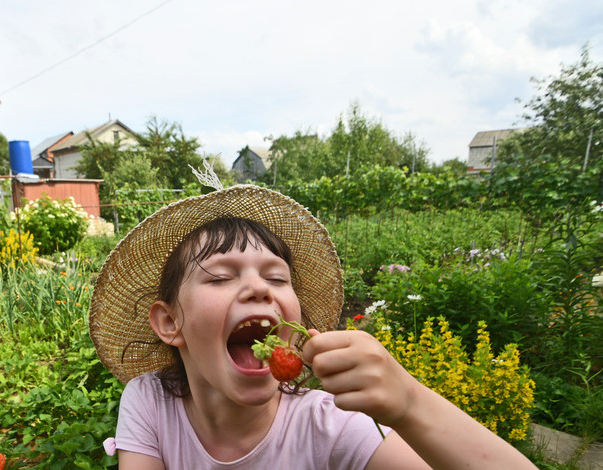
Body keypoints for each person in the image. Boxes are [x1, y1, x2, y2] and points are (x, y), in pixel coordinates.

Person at [89, 180, 536, 469]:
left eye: (276, 277)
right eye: (222, 277)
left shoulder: (333, 424)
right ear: (170, 323)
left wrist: (409, 404)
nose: (258, 289)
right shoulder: (150, 401)